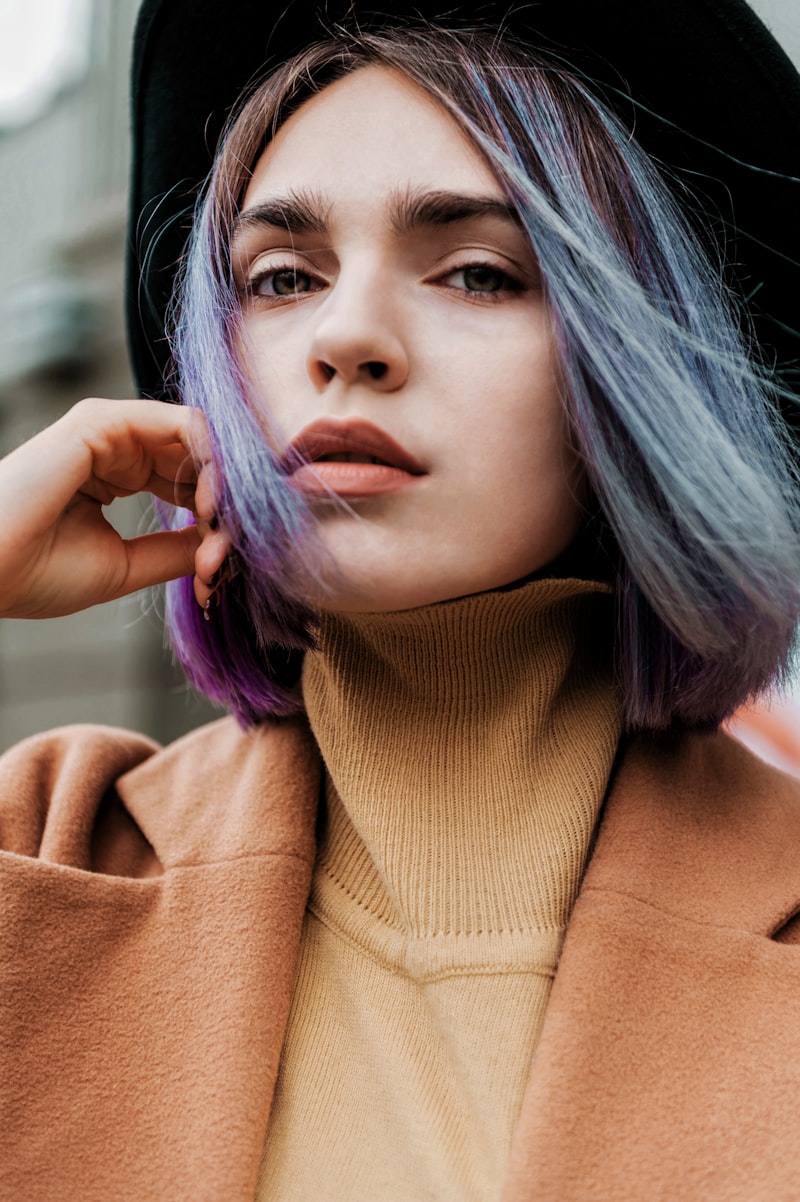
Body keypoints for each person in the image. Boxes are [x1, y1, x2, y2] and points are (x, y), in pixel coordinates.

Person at [1, 1, 800, 1199]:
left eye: (478, 272)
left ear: (644, 369)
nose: (348, 334)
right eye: (279, 277)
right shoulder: (42, 842)